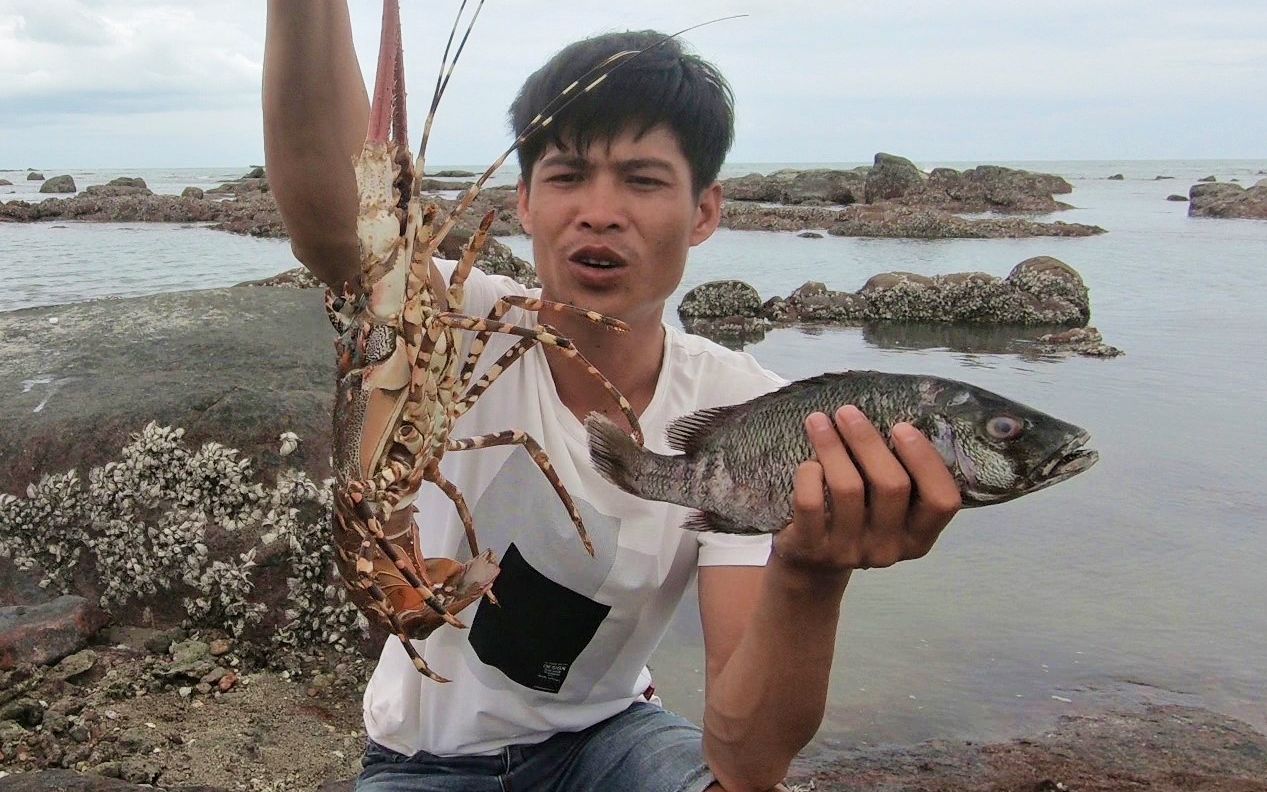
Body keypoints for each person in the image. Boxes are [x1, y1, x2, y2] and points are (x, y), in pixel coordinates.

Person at [263, 5, 963, 791]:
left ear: (703, 212)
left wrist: (810, 574)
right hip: (426, 757)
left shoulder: (746, 412)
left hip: (609, 736)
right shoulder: (458, 328)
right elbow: (337, 225)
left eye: (642, 178)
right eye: (565, 175)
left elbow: (745, 763)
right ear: (523, 204)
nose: (599, 210)